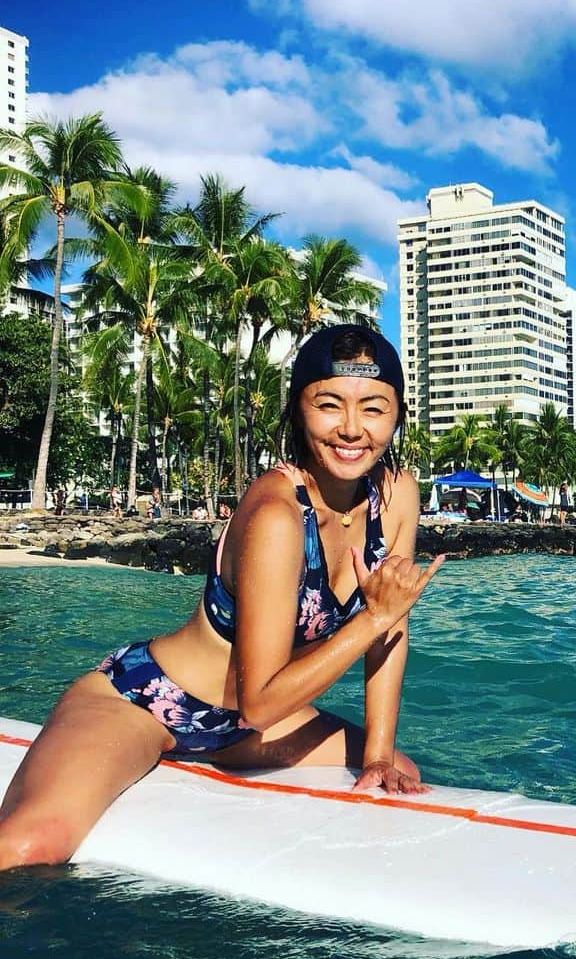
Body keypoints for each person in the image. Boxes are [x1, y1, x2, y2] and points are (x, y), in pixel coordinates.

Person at [0, 324, 444, 872]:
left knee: (403, 767)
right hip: (149, 701)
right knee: (29, 846)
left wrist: (377, 754)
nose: (352, 429)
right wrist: (372, 617)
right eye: (329, 405)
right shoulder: (277, 515)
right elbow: (261, 696)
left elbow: (389, 629)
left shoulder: (396, 495)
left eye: (374, 408)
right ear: (299, 411)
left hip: (243, 733)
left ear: (397, 412)